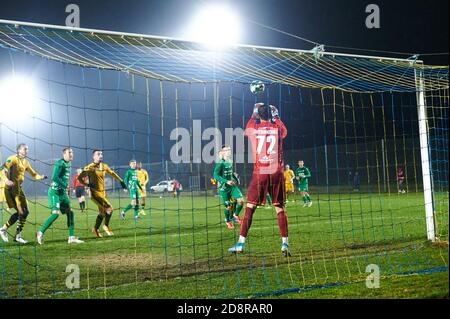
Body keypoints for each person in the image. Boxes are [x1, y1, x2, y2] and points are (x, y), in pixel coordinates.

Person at [228, 103, 291, 257]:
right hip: (276, 171)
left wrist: (254, 111)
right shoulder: (278, 128)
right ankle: (285, 244)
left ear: (258, 115)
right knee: (280, 208)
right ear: (272, 115)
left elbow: (248, 124)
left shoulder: (253, 128)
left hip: (260, 172)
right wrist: (276, 115)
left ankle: (241, 243)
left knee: (250, 208)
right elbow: (284, 131)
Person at [0, 143, 47, 244]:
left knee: (25, 212)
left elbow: (33, 174)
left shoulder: (26, 162)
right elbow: (1, 169)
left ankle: (15, 234)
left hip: (19, 190)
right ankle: (4, 230)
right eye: (25, 149)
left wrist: (41, 177)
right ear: (19, 150)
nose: (27, 151)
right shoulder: (12, 159)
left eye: (27, 149)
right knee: (21, 212)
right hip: (10, 189)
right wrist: (5, 180)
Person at [37, 147, 84, 245]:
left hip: (62, 193)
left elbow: (64, 178)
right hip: (54, 192)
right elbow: (54, 177)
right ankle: (40, 232)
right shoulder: (60, 163)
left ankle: (71, 238)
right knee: (55, 213)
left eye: (72, 152)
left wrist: (66, 189)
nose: (71, 154)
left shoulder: (69, 163)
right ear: (64, 154)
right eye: (69, 152)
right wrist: (65, 185)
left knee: (70, 212)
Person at [77, 150, 127, 238]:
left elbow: (112, 173)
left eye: (101, 154)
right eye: (98, 154)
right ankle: (106, 226)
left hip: (103, 193)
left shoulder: (104, 166)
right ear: (93, 157)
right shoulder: (89, 167)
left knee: (103, 213)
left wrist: (121, 181)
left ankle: (95, 229)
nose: (101, 155)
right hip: (94, 193)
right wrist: (86, 184)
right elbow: (80, 178)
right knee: (110, 208)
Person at [213, 145, 244, 230]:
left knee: (241, 201)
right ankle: (227, 220)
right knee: (228, 206)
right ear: (223, 152)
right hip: (224, 188)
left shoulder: (230, 161)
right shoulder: (220, 163)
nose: (229, 151)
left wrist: (236, 178)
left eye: (229, 149)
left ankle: (235, 215)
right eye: (226, 150)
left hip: (232, 186)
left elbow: (231, 172)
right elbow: (215, 175)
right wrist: (226, 181)